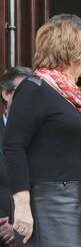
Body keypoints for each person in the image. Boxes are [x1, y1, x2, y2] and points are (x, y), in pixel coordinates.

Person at [4, 20, 81, 246]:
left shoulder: (68, 94)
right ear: (70, 51)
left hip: (78, 198)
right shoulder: (35, 87)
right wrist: (21, 206)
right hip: (51, 202)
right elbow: (13, 146)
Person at [0, 67, 32, 247]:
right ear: (6, 93)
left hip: (37, 234)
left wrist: (20, 226)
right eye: (24, 93)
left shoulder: (46, 137)